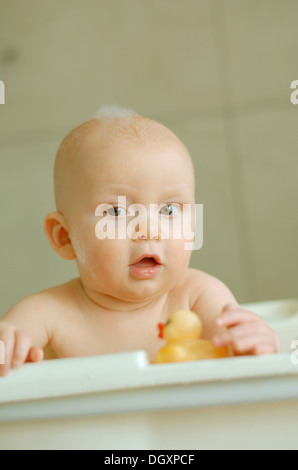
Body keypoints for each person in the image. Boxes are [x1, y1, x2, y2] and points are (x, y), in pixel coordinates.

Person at [0, 105, 280, 376]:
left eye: (169, 210)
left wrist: (257, 346)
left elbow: (240, 359)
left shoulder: (197, 296)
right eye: (118, 211)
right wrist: (8, 351)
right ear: (65, 237)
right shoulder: (46, 315)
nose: (149, 230)